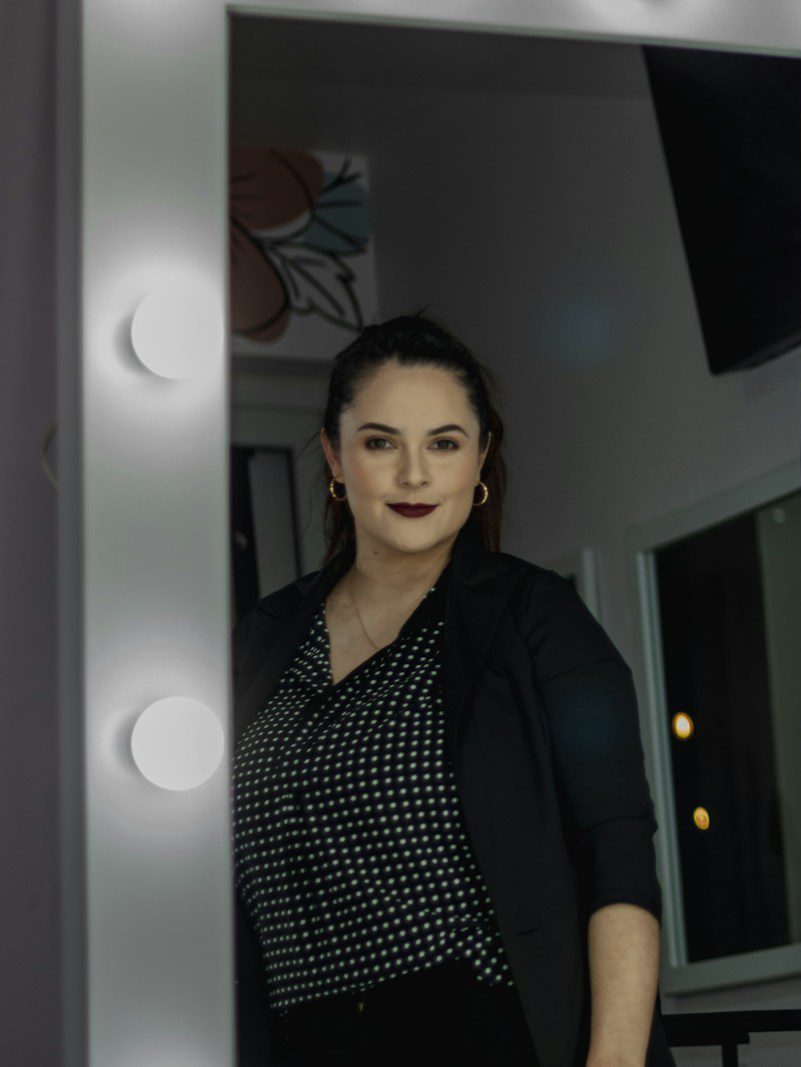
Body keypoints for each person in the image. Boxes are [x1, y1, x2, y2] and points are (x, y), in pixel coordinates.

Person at [230, 313, 677, 1066]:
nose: (415, 475)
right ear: (336, 458)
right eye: (381, 442)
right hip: (303, 1038)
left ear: (480, 460)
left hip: (478, 1029)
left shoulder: (538, 618)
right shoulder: (263, 636)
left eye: (444, 442)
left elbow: (619, 854)